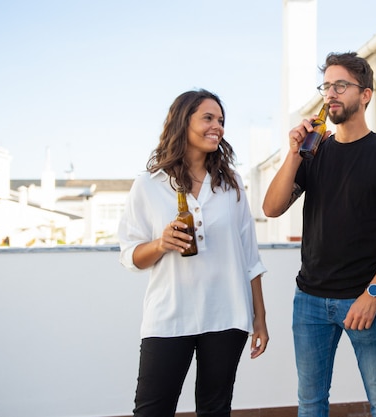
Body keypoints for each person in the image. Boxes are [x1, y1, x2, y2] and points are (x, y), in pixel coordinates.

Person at [263, 52, 376, 417]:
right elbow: (271, 208)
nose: (331, 94)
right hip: (310, 302)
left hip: (367, 301)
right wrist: (293, 154)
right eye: (326, 86)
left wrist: (373, 293)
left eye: (341, 86)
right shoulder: (312, 154)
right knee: (310, 403)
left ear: (365, 94)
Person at [118, 89, 268, 417]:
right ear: (183, 122)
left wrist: (260, 317)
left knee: (215, 410)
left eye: (222, 121)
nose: (218, 127)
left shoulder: (231, 184)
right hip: (169, 315)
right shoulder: (149, 183)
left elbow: (249, 257)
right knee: (151, 410)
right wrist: (160, 244)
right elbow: (130, 255)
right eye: (208, 118)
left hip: (227, 314)